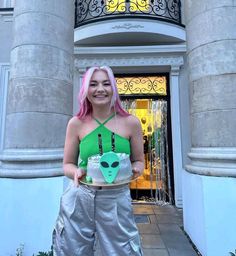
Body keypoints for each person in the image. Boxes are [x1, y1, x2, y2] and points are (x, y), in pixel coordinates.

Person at [52, 66, 144, 255]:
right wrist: (75, 172)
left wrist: (134, 169)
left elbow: (139, 161)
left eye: (106, 83)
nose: (100, 89)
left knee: (124, 250)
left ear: (114, 89)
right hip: (81, 196)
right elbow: (67, 164)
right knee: (72, 250)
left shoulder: (131, 123)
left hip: (116, 198)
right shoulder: (76, 123)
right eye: (93, 84)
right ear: (86, 90)